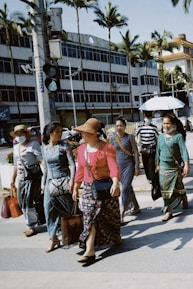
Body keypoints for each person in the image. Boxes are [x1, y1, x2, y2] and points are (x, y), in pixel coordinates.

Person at [72, 118, 121, 263]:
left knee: (110, 216)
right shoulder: (81, 149)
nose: (83, 135)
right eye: (82, 132)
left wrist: (116, 183)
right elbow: (79, 170)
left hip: (105, 187)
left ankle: (116, 235)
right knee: (89, 217)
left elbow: (113, 167)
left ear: (95, 134)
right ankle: (90, 250)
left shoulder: (107, 148)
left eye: (86, 132)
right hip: (88, 188)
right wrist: (76, 187)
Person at [41, 121, 76, 253]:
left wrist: (72, 180)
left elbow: (72, 164)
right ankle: (53, 238)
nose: (61, 134)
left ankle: (79, 231)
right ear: (50, 133)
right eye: (58, 131)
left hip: (63, 182)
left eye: (61, 131)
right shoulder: (44, 147)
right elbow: (45, 167)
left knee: (69, 209)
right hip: (50, 183)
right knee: (48, 210)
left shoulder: (64, 145)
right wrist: (43, 184)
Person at [10, 124, 44, 237]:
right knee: (21, 201)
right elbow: (15, 164)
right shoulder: (16, 147)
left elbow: (41, 160)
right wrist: (12, 179)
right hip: (21, 178)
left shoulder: (33, 145)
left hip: (31, 177)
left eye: (21, 133)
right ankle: (30, 222)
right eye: (17, 134)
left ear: (26, 134)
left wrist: (45, 176)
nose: (19, 136)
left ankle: (31, 225)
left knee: (28, 200)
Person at [156, 114, 190, 221]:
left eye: (168, 123)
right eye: (164, 123)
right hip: (163, 168)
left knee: (179, 187)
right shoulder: (161, 136)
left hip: (175, 168)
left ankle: (183, 197)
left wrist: (186, 164)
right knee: (165, 190)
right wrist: (157, 164)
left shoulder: (178, 136)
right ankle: (168, 211)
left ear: (173, 124)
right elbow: (158, 151)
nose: (165, 125)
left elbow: (184, 151)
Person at [110, 116, 140, 223]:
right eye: (117, 126)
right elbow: (110, 153)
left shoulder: (130, 137)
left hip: (129, 166)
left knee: (125, 188)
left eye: (121, 126)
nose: (119, 128)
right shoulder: (113, 138)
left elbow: (136, 152)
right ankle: (135, 206)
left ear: (125, 127)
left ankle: (121, 212)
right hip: (118, 167)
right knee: (128, 188)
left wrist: (137, 166)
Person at [136, 113, 159, 184]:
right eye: (147, 117)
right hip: (143, 149)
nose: (149, 119)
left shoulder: (154, 128)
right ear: (144, 118)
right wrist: (139, 144)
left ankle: (154, 180)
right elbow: (136, 137)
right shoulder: (140, 128)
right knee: (145, 164)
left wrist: (158, 147)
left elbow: (157, 138)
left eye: (150, 118)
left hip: (152, 148)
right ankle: (149, 178)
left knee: (151, 165)